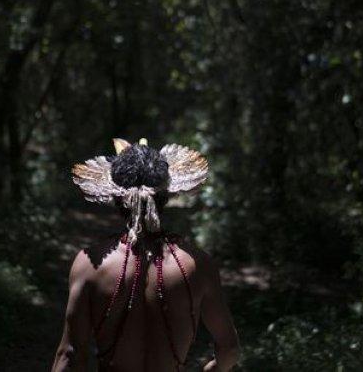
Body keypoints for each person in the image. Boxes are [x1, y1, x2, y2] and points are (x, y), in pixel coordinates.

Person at [51, 138, 240, 371]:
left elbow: (69, 355)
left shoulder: (90, 264)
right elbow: (229, 348)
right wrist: (214, 369)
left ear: (117, 198)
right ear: (165, 197)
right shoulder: (197, 265)